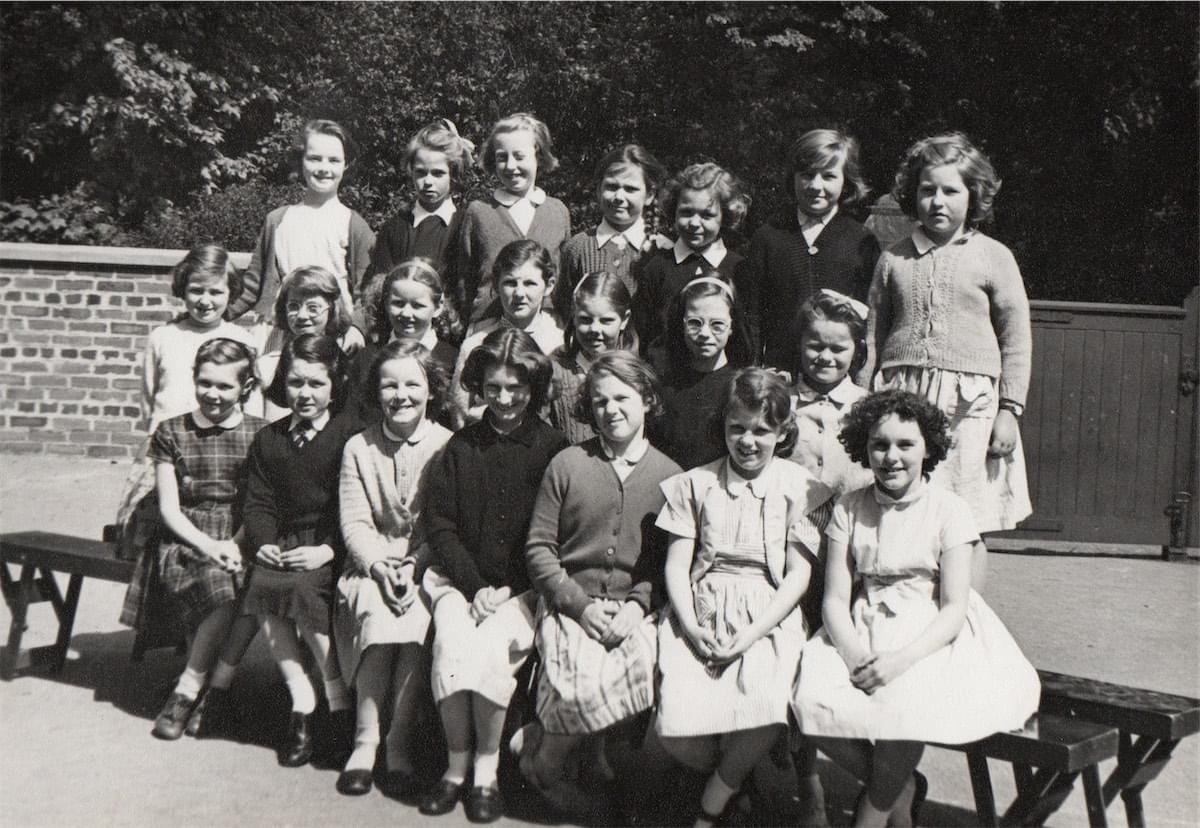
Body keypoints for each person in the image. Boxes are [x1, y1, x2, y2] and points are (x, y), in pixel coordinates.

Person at [792, 389, 1040, 827]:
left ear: (929, 448)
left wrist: (900, 661)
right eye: (879, 444)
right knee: (808, 704)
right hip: (861, 624)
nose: (891, 457)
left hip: (929, 632)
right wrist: (853, 654)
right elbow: (834, 597)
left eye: (906, 444)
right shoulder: (850, 507)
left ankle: (869, 817)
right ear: (863, 448)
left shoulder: (949, 509)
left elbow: (954, 607)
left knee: (905, 707)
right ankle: (898, 788)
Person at [656, 368, 831, 827]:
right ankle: (738, 773)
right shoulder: (696, 484)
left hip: (770, 611)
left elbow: (797, 576)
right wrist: (691, 624)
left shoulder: (801, 489)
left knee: (768, 704)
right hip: (701, 606)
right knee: (675, 726)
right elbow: (677, 564)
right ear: (723, 427)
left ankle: (713, 801)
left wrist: (754, 633)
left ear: (783, 432)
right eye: (738, 428)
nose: (748, 441)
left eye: (762, 431)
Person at [514, 351, 682, 818]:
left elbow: (665, 564)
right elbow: (539, 549)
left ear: (647, 399)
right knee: (581, 677)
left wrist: (636, 605)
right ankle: (545, 765)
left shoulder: (670, 477)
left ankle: (569, 750)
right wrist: (579, 606)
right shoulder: (567, 463)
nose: (611, 409)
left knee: (645, 668)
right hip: (570, 603)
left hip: (635, 609)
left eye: (623, 398)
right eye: (600, 400)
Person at [865, 132, 1033, 587]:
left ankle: (966, 617)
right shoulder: (893, 259)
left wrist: (1009, 411)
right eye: (927, 190)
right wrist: (864, 401)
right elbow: (872, 336)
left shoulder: (994, 257)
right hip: (904, 398)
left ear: (973, 195)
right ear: (912, 194)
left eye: (951, 190)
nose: (937, 201)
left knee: (965, 517)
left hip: (968, 406)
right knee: (902, 507)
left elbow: (1016, 336)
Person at [419, 329, 568, 822]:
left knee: (491, 655)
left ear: (534, 385)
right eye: (493, 388)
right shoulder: (462, 447)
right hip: (462, 583)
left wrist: (509, 590)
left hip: (524, 590)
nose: (504, 399)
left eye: (516, 387)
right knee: (453, 648)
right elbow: (440, 526)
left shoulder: (553, 449)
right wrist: (475, 587)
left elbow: (554, 534)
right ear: (478, 387)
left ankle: (486, 770)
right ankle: (454, 766)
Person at [123, 338, 264, 740]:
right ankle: (194, 689)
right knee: (218, 583)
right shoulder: (172, 431)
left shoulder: (261, 434)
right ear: (193, 381)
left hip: (241, 533)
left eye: (225, 386)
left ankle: (197, 687)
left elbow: (258, 503)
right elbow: (168, 510)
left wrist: (235, 543)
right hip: (186, 537)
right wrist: (212, 546)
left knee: (247, 584)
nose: (213, 394)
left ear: (246, 387)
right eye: (205, 383)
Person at [332, 339, 454, 796]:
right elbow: (355, 520)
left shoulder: (446, 445)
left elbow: (444, 522)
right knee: (378, 614)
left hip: (428, 564)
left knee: (420, 619)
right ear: (375, 391)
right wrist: (381, 568)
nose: (401, 395)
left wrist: (416, 565)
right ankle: (365, 742)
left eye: (412, 384)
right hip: (369, 566)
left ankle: (398, 743)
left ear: (431, 389)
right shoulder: (358, 449)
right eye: (390, 385)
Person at [235, 334, 359, 768]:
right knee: (266, 583)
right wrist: (264, 541)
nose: (305, 394)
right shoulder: (271, 440)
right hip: (285, 544)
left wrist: (328, 551)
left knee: (305, 593)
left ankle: (338, 700)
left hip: (332, 544)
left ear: (333, 386)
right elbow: (259, 500)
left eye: (316, 384)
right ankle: (302, 702)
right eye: (295, 384)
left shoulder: (350, 435)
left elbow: (356, 506)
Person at [115, 244, 259, 562]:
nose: (205, 300)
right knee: (145, 543)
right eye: (196, 290)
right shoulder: (163, 337)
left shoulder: (242, 339)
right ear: (183, 289)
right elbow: (148, 398)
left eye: (215, 292)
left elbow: (247, 406)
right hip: (165, 453)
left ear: (231, 293)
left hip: (215, 454)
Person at [738, 129, 879, 369]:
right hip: (780, 373)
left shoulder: (860, 240)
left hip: (837, 373)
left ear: (846, 181)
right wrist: (754, 368)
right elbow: (752, 316)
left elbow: (870, 318)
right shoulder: (769, 237)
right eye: (807, 175)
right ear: (793, 177)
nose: (816, 185)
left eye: (828, 176)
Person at [227, 119, 374, 342]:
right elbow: (253, 283)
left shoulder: (354, 225)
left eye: (334, 160)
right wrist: (216, 315)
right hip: (281, 329)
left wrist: (357, 329)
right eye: (315, 159)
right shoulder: (278, 220)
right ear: (301, 162)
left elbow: (367, 290)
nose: (324, 168)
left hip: (333, 333)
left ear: (345, 165)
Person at [453, 112, 571, 323]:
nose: (510, 166)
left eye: (519, 156)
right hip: (489, 326)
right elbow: (465, 278)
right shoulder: (479, 211)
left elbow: (563, 279)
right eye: (502, 157)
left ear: (538, 156)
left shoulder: (557, 211)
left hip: (546, 330)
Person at [633, 162, 750, 349]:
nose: (695, 223)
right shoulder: (657, 267)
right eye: (686, 213)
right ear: (673, 211)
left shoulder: (739, 269)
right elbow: (643, 333)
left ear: (724, 216)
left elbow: (746, 337)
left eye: (707, 215)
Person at [450, 239, 563, 427]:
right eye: (510, 283)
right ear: (495, 286)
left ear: (549, 285)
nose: (519, 293)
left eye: (530, 283)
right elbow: (460, 415)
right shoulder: (477, 343)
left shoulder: (559, 341)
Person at [552, 144, 668, 322]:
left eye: (630, 189)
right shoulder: (577, 247)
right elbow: (563, 309)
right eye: (612, 187)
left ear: (650, 195)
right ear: (598, 190)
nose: (619, 197)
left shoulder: (662, 250)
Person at [648, 275, 754, 470]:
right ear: (682, 323)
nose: (705, 333)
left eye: (717, 324)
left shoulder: (743, 385)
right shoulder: (665, 385)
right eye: (695, 323)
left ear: (731, 326)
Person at [345, 258, 462, 426]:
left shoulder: (452, 361)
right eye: (398, 303)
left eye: (417, 305)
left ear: (438, 306)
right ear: (386, 303)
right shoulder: (367, 358)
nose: (406, 314)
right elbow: (351, 418)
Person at [366, 119, 476, 293]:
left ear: (453, 175)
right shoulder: (394, 229)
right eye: (421, 173)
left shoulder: (465, 226)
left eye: (438, 173)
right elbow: (381, 287)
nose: (428, 182)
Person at [788, 289, 876, 497]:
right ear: (800, 345)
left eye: (837, 349)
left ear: (856, 350)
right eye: (816, 346)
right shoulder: (783, 402)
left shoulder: (869, 406)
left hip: (852, 517)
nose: (826, 357)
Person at [253, 265, 366, 422]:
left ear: (332, 309)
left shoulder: (345, 360)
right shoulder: (267, 366)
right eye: (293, 306)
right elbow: (255, 423)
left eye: (313, 308)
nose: (301, 315)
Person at [546, 270, 639, 444]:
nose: (595, 329)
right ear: (574, 317)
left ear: (624, 319)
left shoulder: (637, 372)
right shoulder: (554, 369)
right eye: (586, 320)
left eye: (606, 321)